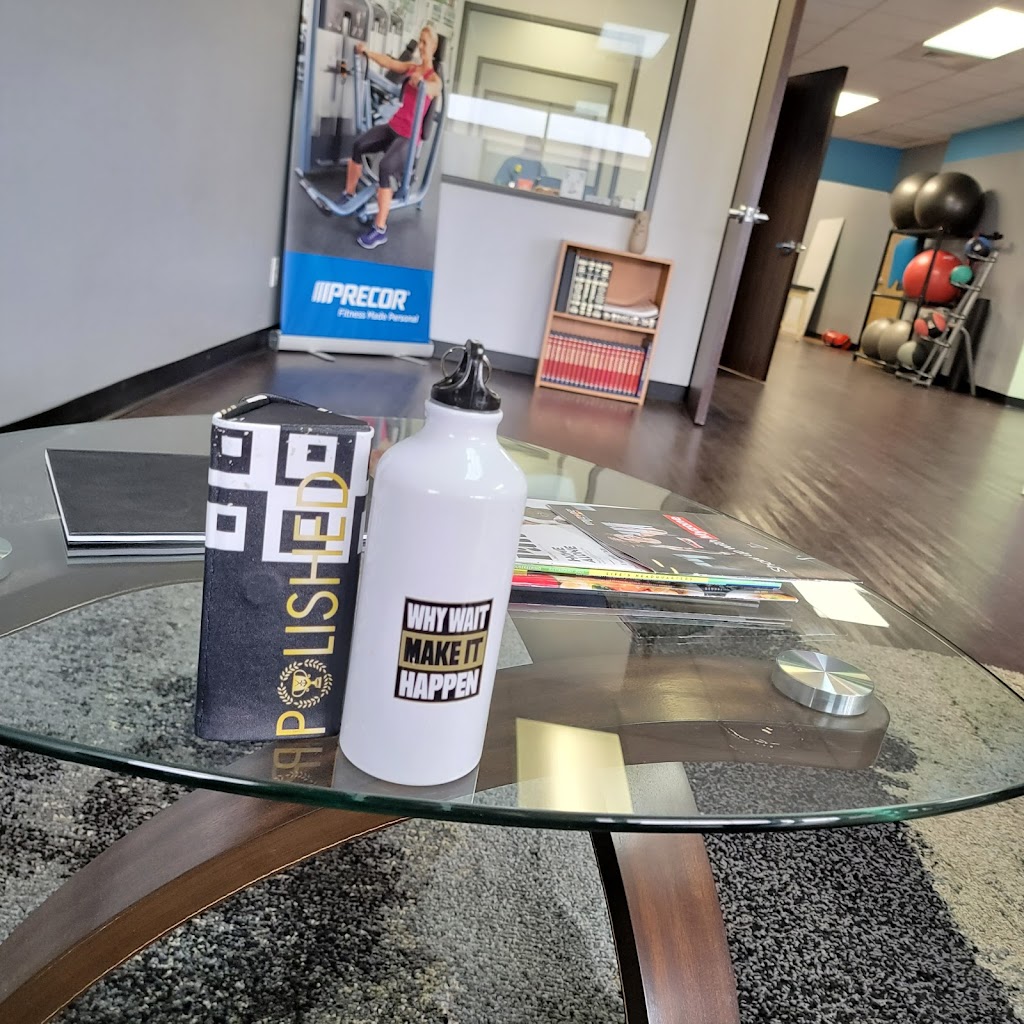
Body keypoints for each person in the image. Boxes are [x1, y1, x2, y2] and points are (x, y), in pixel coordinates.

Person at [344, 26, 442, 249]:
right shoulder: (411, 67)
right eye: (420, 41)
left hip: (409, 137)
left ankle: (379, 229)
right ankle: (348, 194)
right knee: (359, 145)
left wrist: (422, 83)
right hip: (393, 127)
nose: (421, 46)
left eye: (425, 43)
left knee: (386, 167)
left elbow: (433, 88)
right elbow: (389, 63)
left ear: (434, 47)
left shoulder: (435, 79)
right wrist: (367, 52)